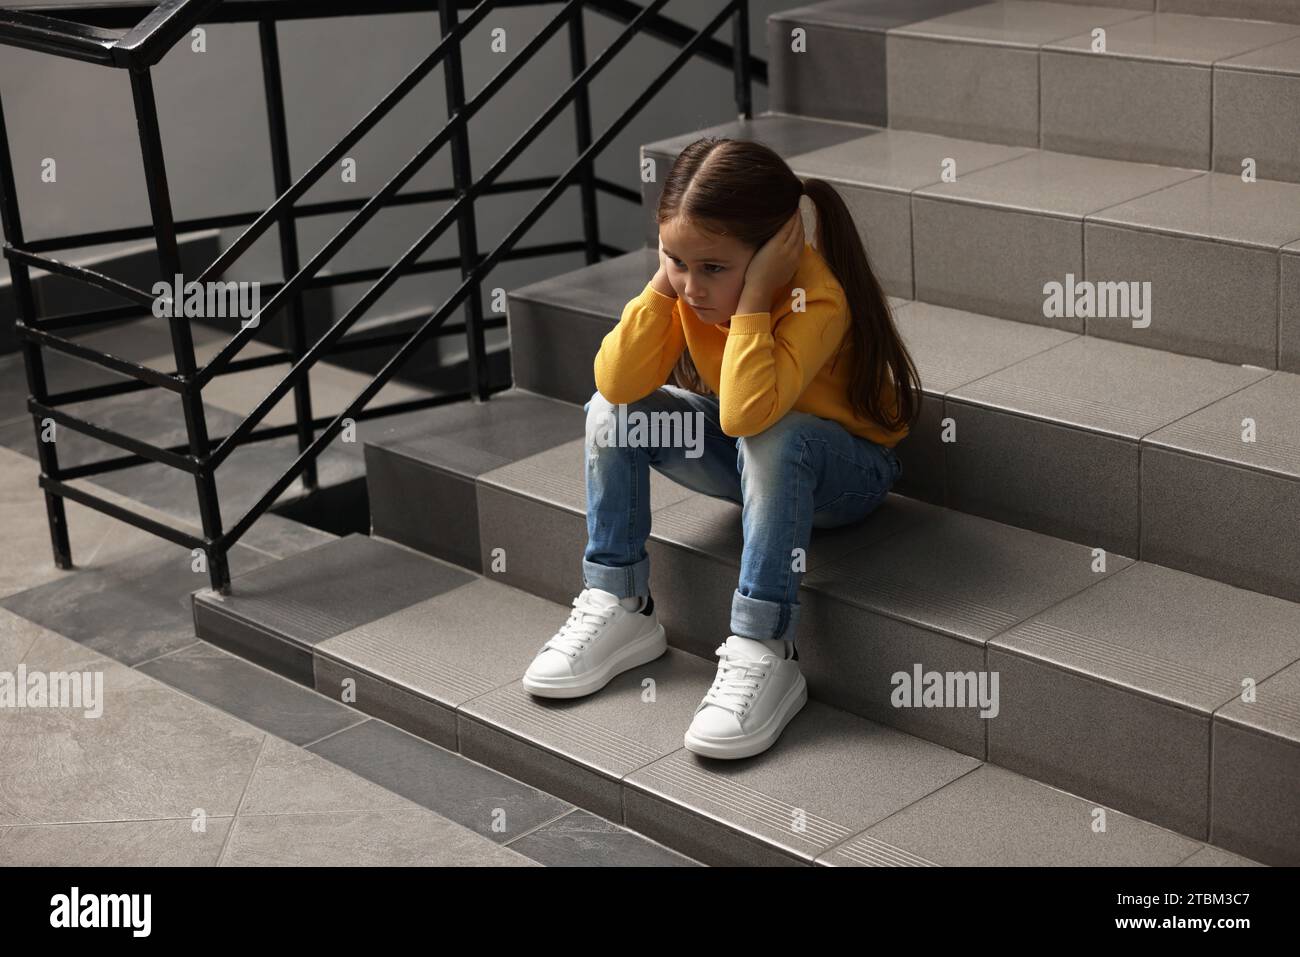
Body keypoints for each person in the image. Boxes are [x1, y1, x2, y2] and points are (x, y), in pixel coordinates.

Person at [523, 136, 922, 759]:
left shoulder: (815, 298)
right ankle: (619, 598)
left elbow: (744, 415)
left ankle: (766, 647)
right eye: (675, 259)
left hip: (845, 475)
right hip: (755, 458)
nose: (692, 287)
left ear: (771, 255)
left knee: (774, 431)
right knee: (613, 413)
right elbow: (616, 382)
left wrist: (756, 298)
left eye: (712, 268)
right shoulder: (684, 286)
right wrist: (666, 279)